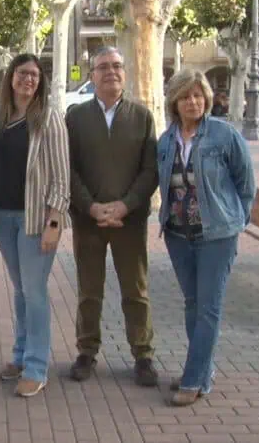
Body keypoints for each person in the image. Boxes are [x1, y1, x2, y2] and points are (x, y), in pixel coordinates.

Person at [158, 69, 255, 406]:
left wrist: (237, 221)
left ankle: (194, 378)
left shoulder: (224, 135)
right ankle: (202, 369)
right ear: (175, 101)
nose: (193, 101)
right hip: (178, 235)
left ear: (207, 99)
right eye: (185, 96)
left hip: (217, 235)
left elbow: (246, 183)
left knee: (208, 309)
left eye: (198, 95)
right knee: (192, 304)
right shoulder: (167, 141)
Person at [66, 46, 160, 387]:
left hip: (129, 221)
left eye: (117, 66)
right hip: (87, 220)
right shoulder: (75, 117)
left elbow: (151, 170)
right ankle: (86, 351)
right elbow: (68, 168)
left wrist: (125, 205)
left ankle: (143, 355)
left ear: (125, 72)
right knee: (89, 291)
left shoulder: (142, 116)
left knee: (135, 290)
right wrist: (90, 206)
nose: (111, 72)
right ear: (92, 76)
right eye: (103, 67)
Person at [0, 53, 70, 397]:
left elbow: (61, 178)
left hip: (35, 220)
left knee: (34, 292)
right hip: (2, 218)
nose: (28, 80)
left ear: (40, 81)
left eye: (34, 75)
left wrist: (54, 221)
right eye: (22, 74)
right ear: (11, 78)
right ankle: (19, 356)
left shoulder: (48, 119)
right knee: (20, 290)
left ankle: (36, 366)